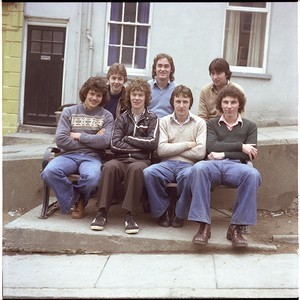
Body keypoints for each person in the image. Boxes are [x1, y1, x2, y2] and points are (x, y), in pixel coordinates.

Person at [188, 85, 262, 247]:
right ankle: (204, 226)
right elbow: (212, 146)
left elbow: (250, 154)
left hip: (236, 167)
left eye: (233, 102)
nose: (229, 106)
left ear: (239, 105)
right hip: (212, 165)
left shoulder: (250, 126)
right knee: (198, 168)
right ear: (220, 104)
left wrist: (225, 153)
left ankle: (235, 228)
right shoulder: (211, 124)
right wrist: (241, 146)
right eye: (225, 102)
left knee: (253, 175)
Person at [90, 78, 159, 234]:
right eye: (134, 94)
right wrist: (139, 146)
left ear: (146, 97)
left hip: (141, 161)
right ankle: (101, 212)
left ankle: (130, 215)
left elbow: (152, 143)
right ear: (129, 96)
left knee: (135, 169)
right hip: (120, 160)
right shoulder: (122, 118)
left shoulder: (152, 119)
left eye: (140, 95)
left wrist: (127, 139)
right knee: (109, 167)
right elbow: (114, 144)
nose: (137, 98)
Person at [41, 77, 114, 219]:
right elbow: (61, 140)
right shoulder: (69, 112)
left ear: (103, 97)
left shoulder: (107, 116)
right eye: (92, 93)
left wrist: (78, 135)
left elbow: (105, 142)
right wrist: (93, 139)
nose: (94, 98)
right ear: (85, 93)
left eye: (99, 95)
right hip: (68, 155)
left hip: (92, 158)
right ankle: (76, 199)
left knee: (92, 178)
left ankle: (73, 199)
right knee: (49, 171)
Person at [143, 85, 207, 228]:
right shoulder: (164, 121)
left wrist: (172, 148)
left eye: (185, 101)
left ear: (191, 102)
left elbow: (201, 152)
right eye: (178, 101)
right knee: (149, 173)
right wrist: (187, 144)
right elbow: (161, 150)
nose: (181, 105)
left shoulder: (199, 123)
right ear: (173, 102)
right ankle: (163, 210)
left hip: (188, 165)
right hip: (166, 164)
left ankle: (180, 213)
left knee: (190, 176)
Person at [148, 53, 177, 118]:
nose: (162, 69)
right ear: (155, 68)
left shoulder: (177, 90)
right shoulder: (146, 87)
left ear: (171, 69)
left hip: (169, 125)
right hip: (148, 125)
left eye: (166, 66)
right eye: (160, 66)